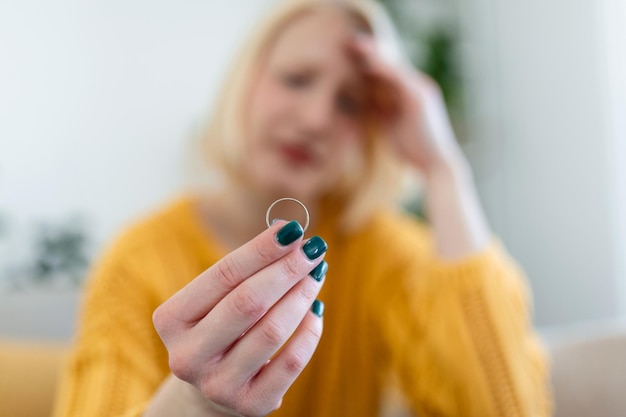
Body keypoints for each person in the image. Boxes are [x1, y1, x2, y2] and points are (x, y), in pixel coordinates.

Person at [53, 0, 552, 416]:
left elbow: (507, 406)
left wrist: (444, 172)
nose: (315, 119)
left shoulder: (383, 254)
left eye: (350, 103)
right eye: (296, 79)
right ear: (244, 83)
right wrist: (192, 401)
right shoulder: (140, 258)